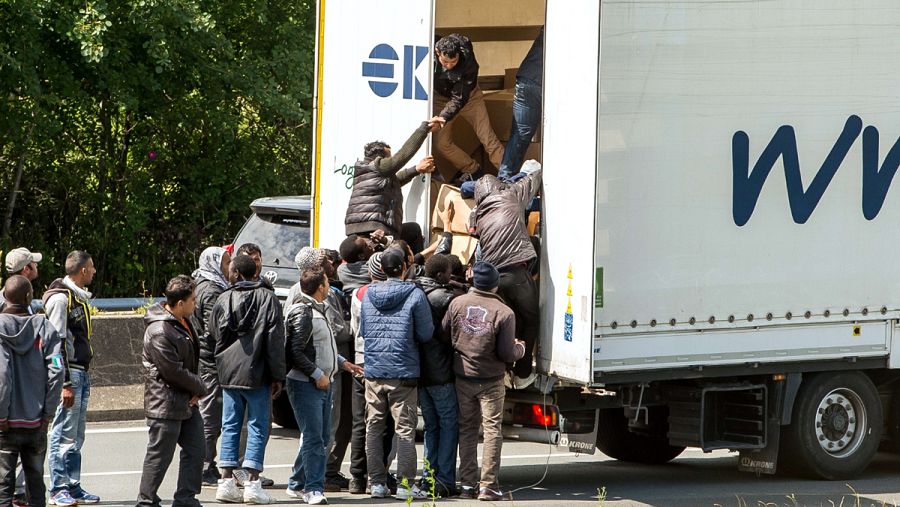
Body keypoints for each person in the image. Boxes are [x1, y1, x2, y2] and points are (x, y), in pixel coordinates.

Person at [443, 261, 525, 501]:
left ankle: (467, 485)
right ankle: (488, 486)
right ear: (496, 285)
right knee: (491, 431)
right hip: (491, 381)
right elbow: (506, 354)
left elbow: (443, 333)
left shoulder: (457, 303)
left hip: (463, 377)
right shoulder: (504, 312)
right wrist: (519, 348)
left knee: (467, 430)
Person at [209, 255, 285, 504]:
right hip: (257, 370)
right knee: (258, 425)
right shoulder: (268, 298)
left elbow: (213, 334)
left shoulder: (223, 297)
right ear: (256, 273)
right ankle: (253, 482)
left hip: (228, 371)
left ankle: (226, 481)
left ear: (236, 273)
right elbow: (275, 340)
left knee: (229, 424)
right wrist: (277, 375)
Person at [284, 267, 363, 505]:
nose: (329, 285)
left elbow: (321, 346)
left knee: (320, 437)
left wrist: (342, 363)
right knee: (314, 438)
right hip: (306, 385)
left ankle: (297, 483)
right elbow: (294, 351)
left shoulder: (319, 309)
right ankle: (313, 489)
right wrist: (318, 374)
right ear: (321, 286)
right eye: (327, 281)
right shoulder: (303, 312)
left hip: (323, 384)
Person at [360, 249, 433, 500]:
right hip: (403, 371)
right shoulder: (415, 294)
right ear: (403, 267)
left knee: (373, 427)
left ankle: (377, 483)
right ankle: (404, 485)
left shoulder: (368, 294)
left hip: (374, 370)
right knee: (404, 430)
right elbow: (425, 334)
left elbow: (364, 329)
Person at [136, 276, 208, 507]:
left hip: (186, 400)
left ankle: (186, 498)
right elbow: (172, 371)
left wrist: (194, 390)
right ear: (179, 304)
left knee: (197, 449)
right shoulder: (159, 330)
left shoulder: (182, 320)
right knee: (159, 457)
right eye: (193, 300)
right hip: (165, 403)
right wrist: (200, 387)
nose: (195, 303)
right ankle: (146, 501)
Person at [473, 164, 542, 389]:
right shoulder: (509, 196)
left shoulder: (478, 215)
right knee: (531, 320)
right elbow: (533, 179)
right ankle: (522, 375)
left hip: (495, 279)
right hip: (516, 271)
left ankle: (504, 371)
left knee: (508, 322)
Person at [0, 276, 64, 507]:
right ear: (29, 297)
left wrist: (2, 415)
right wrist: (47, 412)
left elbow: (2, 376)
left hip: (5, 423)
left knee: (3, 488)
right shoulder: (45, 327)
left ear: (5, 297)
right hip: (36, 421)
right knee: (36, 483)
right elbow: (57, 371)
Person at [43, 250, 99, 506]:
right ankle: (58, 488)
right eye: (92, 267)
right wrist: (63, 381)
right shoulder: (60, 299)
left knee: (77, 435)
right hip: (70, 374)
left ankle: (73, 484)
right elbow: (55, 344)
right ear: (83, 270)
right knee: (62, 432)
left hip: (81, 372)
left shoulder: (78, 298)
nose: (95, 272)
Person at [346, 253, 395, 495]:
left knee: (360, 421)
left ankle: (356, 476)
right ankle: (379, 475)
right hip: (384, 362)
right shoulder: (394, 294)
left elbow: (355, 329)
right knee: (384, 422)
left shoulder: (357, 295)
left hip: (360, 360)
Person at [344, 120, 438, 237]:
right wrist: (424, 128)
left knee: (413, 230)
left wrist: (416, 169)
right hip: (373, 227)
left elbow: (395, 181)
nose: (390, 160)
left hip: (362, 226)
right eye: (389, 157)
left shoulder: (368, 171)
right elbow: (404, 154)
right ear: (380, 157)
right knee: (410, 236)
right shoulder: (379, 166)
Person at [414, 255, 459, 497]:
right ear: (440, 275)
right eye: (449, 272)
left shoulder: (415, 290)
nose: (451, 276)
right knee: (449, 425)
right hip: (441, 371)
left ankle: (428, 479)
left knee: (432, 427)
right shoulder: (445, 298)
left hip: (421, 372)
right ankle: (444, 480)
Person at [431, 33, 504, 181]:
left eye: (454, 61)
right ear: (437, 52)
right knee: (442, 144)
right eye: (445, 62)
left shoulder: (468, 60)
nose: (450, 66)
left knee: (488, 138)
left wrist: (443, 117)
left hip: (469, 97)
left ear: (458, 54)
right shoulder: (427, 48)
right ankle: (472, 170)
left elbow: (459, 98)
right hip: (441, 99)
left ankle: (510, 177)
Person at [190, 246, 231, 487]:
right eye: (226, 263)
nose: (229, 268)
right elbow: (213, 331)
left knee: (210, 413)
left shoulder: (201, 284)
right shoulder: (212, 290)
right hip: (211, 360)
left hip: (204, 357)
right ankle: (204, 465)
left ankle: (207, 463)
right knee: (211, 415)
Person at [497, 27, 544, 182]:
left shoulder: (552, 23)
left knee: (519, 136)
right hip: (544, 81)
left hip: (527, 79)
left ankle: (503, 182)